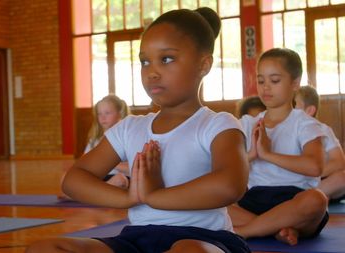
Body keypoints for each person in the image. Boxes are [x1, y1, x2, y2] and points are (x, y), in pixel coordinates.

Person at [27, 7, 250, 253]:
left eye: (166, 59)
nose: (152, 72)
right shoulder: (130, 127)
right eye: (145, 61)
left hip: (205, 240)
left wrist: (154, 196)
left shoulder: (218, 124)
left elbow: (230, 186)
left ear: (203, 64)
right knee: (45, 248)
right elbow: (74, 179)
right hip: (137, 240)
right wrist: (130, 198)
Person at [229, 48, 329, 246]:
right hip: (254, 200)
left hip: (294, 200)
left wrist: (268, 154)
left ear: (295, 83)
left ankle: (247, 231)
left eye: (274, 81)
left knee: (317, 200)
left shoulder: (305, 123)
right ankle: (276, 230)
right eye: (260, 81)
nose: (266, 87)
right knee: (215, 202)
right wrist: (251, 155)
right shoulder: (247, 123)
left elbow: (315, 167)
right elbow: (226, 167)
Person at [294, 85, 345, 202]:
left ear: (309, 110)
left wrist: (311, 173)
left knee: (342, 177)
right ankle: (314, 197)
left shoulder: (323, 130)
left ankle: (310, 197)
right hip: (294, 182)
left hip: (319, 180)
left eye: (295, 104)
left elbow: (339, 162)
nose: (291, 109)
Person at [85, 94, 131, 189]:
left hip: (118, 179)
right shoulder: (95, 140)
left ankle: (90, 194)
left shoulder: (127, 139)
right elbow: (85, 165)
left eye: (107, 113)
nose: (102, 118)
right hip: (98, 179)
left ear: (120, 114)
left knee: (120, 180)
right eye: (99, 114)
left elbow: (134, 170)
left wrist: (110, 163)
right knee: (66, 178)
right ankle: (96, 193)